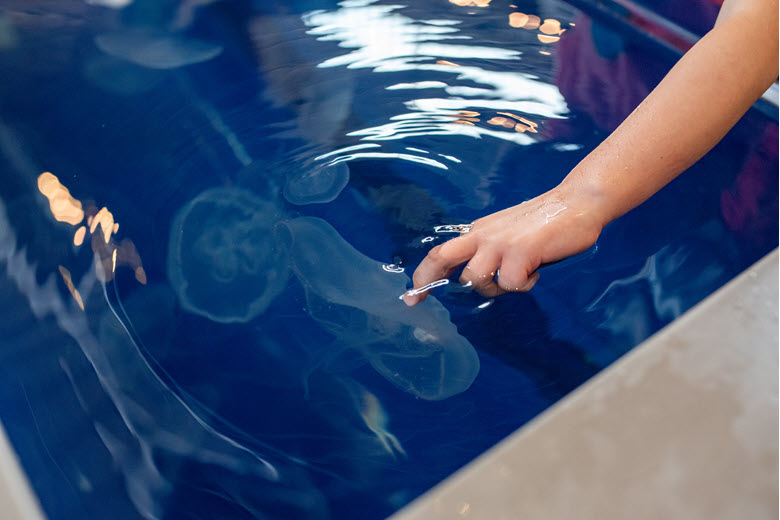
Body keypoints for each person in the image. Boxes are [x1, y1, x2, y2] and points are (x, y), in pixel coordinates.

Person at [402, 0, 778, 306]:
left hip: (743, 123)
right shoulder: (588, 73)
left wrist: (577, 201)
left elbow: (756, 33)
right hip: (615, 64)